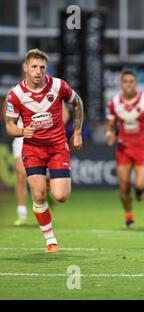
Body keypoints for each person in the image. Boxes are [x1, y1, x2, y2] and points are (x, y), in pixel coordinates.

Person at [4, 48, 84, 252]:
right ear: (25, 68)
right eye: (34, 67)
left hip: (57, 147)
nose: (38, 71)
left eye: (42, 67)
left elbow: (77, 103)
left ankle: (49, 183)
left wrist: (77, 132)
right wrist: (22, 131)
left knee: (61, 196)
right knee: (38, 196)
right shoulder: (16, 95)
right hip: (32, 149)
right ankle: (51, 241)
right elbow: (10, 126)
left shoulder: (58, 85)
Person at [105, 70, 144, 229]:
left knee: (140, 185)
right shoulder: (114, 103)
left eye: (131, 81)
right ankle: (129, 217)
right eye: (125, 81)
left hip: (143, 148)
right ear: (121, 84)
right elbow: (110, 125)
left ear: (135, 83)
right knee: (124, 185)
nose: (128, 84)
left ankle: (139, 193)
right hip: (124, 148)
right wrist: (109, 133)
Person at [4, 94, 70, 226]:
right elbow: (8, 121)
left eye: (40, 70)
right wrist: (20, 131)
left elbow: (66, 115)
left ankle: (45, 187)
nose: (37, 72)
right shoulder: (14, 93)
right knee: (21, 173)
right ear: (25, 71)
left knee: (44, 185)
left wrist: (52, 130)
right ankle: (22, 213)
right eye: (33, 70)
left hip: (47, 138)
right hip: (23, 137)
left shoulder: (52, 90)